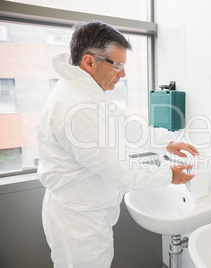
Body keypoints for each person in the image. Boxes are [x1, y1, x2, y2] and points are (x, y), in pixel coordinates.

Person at [37, 20, 198, 268]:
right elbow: (121, 173)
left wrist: (167, 142)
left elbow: (124, 126)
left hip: (86, 215)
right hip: (78, 222)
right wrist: (168, 175)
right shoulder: (77, 107)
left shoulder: (88, 93)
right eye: (118, 65)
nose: (123, 74)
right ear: (89, 62)